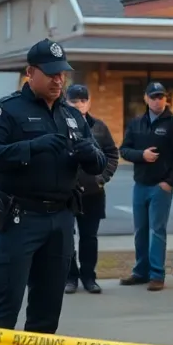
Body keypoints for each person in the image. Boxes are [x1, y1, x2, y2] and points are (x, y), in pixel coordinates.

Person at [0, 39, 108, 345]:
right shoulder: (8, 111)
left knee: (46, 313)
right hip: (19, 219)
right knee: (4, 309)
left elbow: (97, 161)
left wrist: (88, 155)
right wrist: (30, 147)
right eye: (51, 73)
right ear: (30, 73)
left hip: (61, 220)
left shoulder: (71, 115)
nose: (59, 80)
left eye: (62, 73)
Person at [118, 81, 173, 291]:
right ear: (146, 99)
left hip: (161, 187)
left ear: (166, 99)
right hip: (140, 185)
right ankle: (141, 272)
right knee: (140, 231)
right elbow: (124, 150)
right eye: (154, 97)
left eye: (161, 96)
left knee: (157, 231)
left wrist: (169, 183)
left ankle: (157, 275)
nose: (158, 100)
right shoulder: (136, 123)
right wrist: (142, 155)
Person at [64, 83, 119, 295]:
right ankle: (71, 277)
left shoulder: (99, 127)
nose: (78, 105)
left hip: (93, 193)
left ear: (88, 102)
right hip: (67, 194)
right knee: (67, 238)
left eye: (82, 100)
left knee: (89, 238)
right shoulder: (60, 124)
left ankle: (89, 277)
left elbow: (112, 154)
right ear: (66, 102)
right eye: (73, 101)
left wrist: (102, 178)